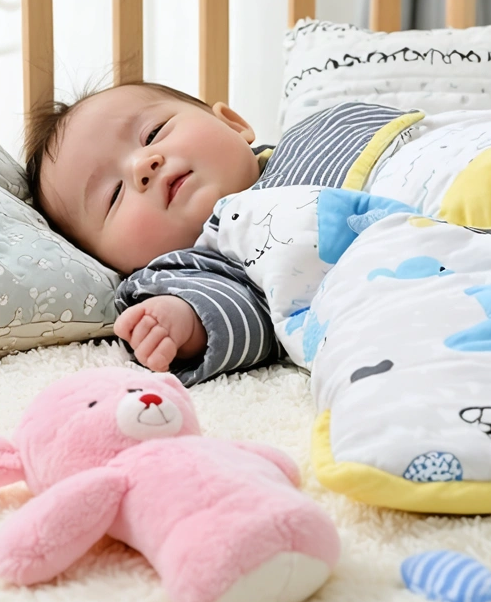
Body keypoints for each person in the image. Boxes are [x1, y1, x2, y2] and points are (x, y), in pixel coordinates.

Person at [27, 81, 411, 385]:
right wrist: (183, 319)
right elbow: (247, 315)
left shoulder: (321, 133)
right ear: (111, 261)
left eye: (153, 133)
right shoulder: (204, 268)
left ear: (233, 123)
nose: (143, 164)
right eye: (113, 195)